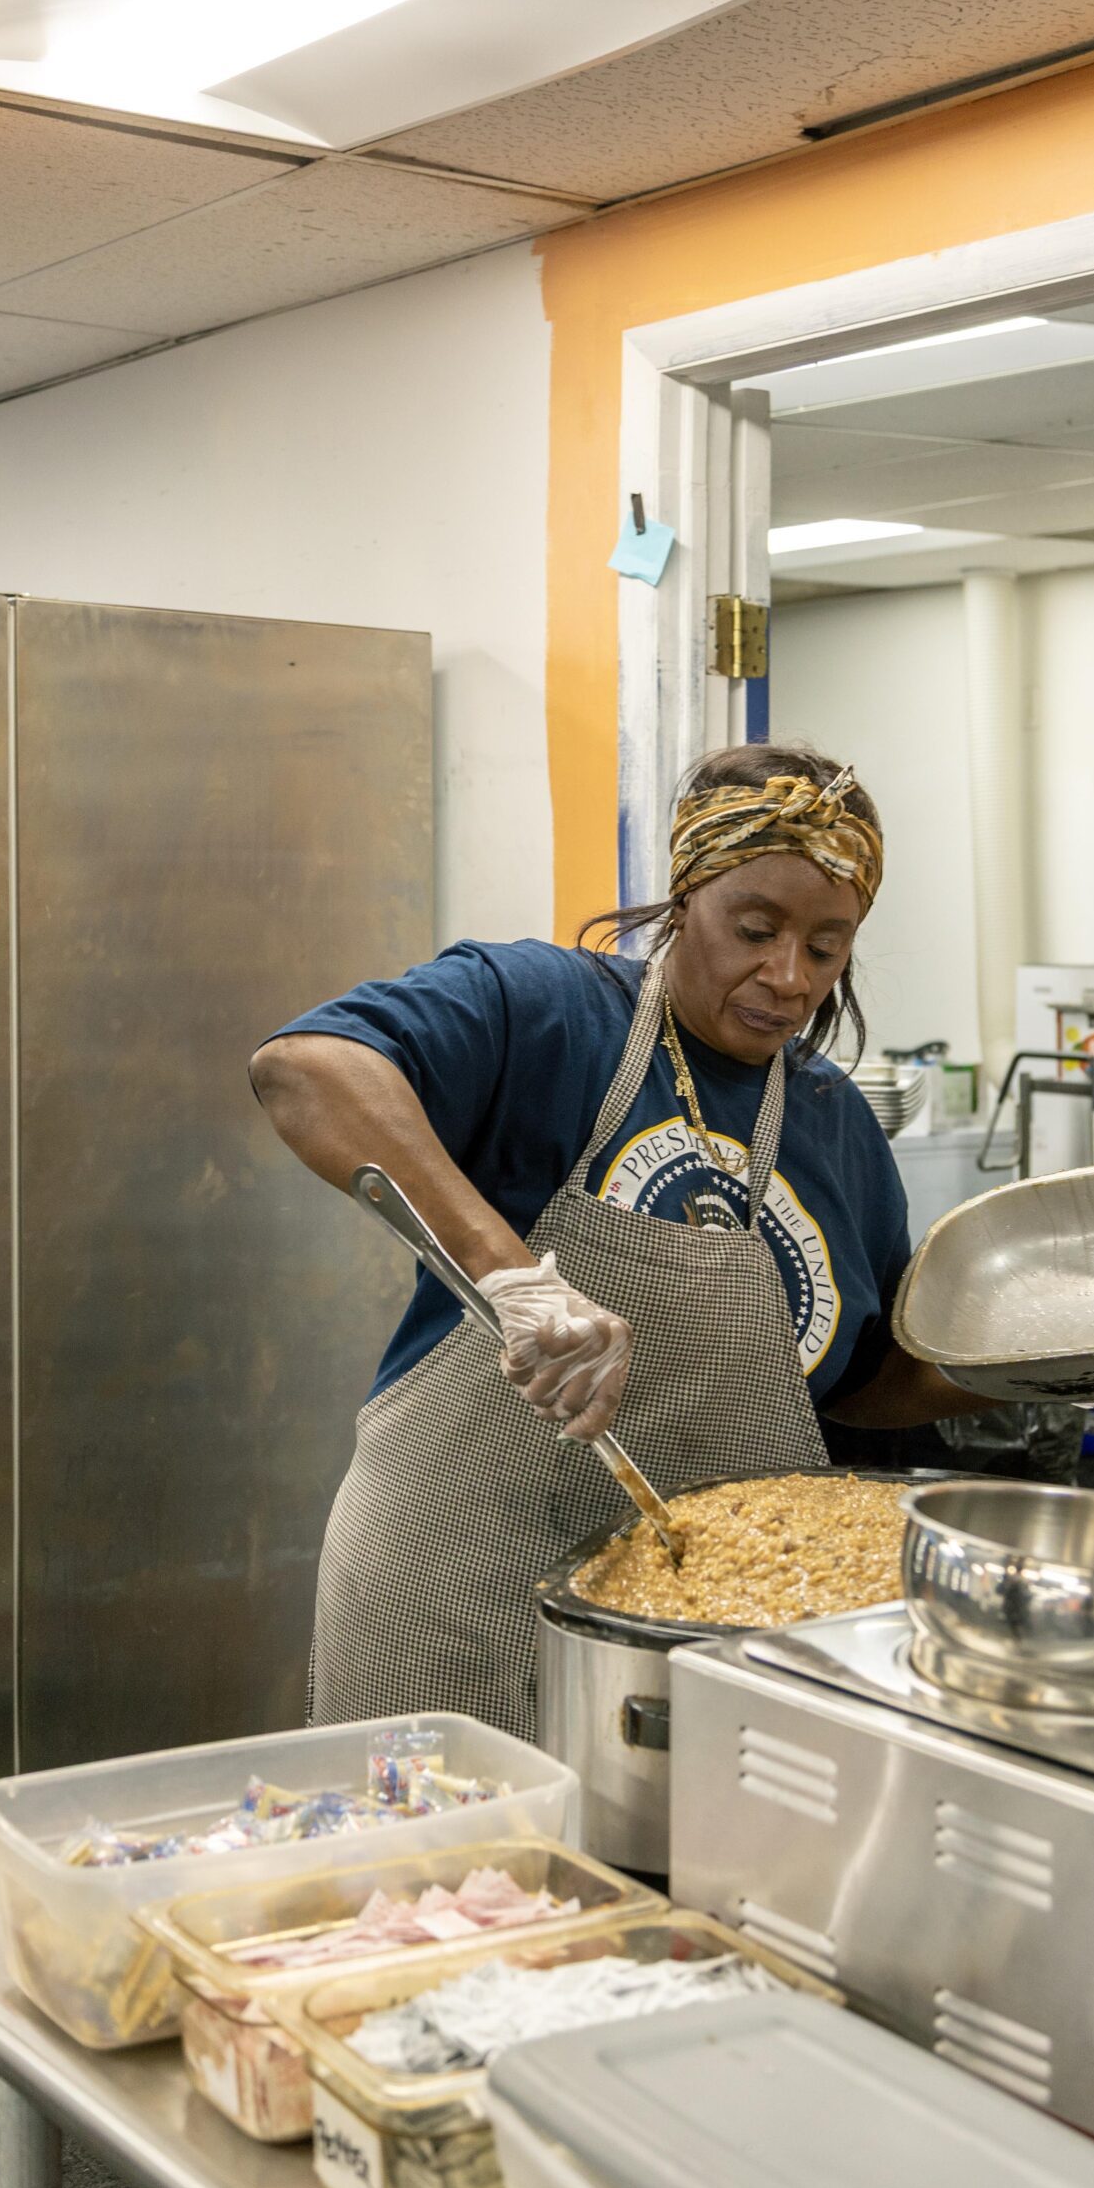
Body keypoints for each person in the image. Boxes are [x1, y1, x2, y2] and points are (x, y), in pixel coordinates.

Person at [251, 741, 971, 1736]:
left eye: (827, 945)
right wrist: (517, 1283)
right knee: (443, 1884)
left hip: (697, 1628)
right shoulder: (546, 1012)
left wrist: (1077, 1366)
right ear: (686, 899)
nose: (788, 975)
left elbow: (859, 1382)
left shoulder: (831, 1121)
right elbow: (307, 1068)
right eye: (754, 929)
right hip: (453, 1587)